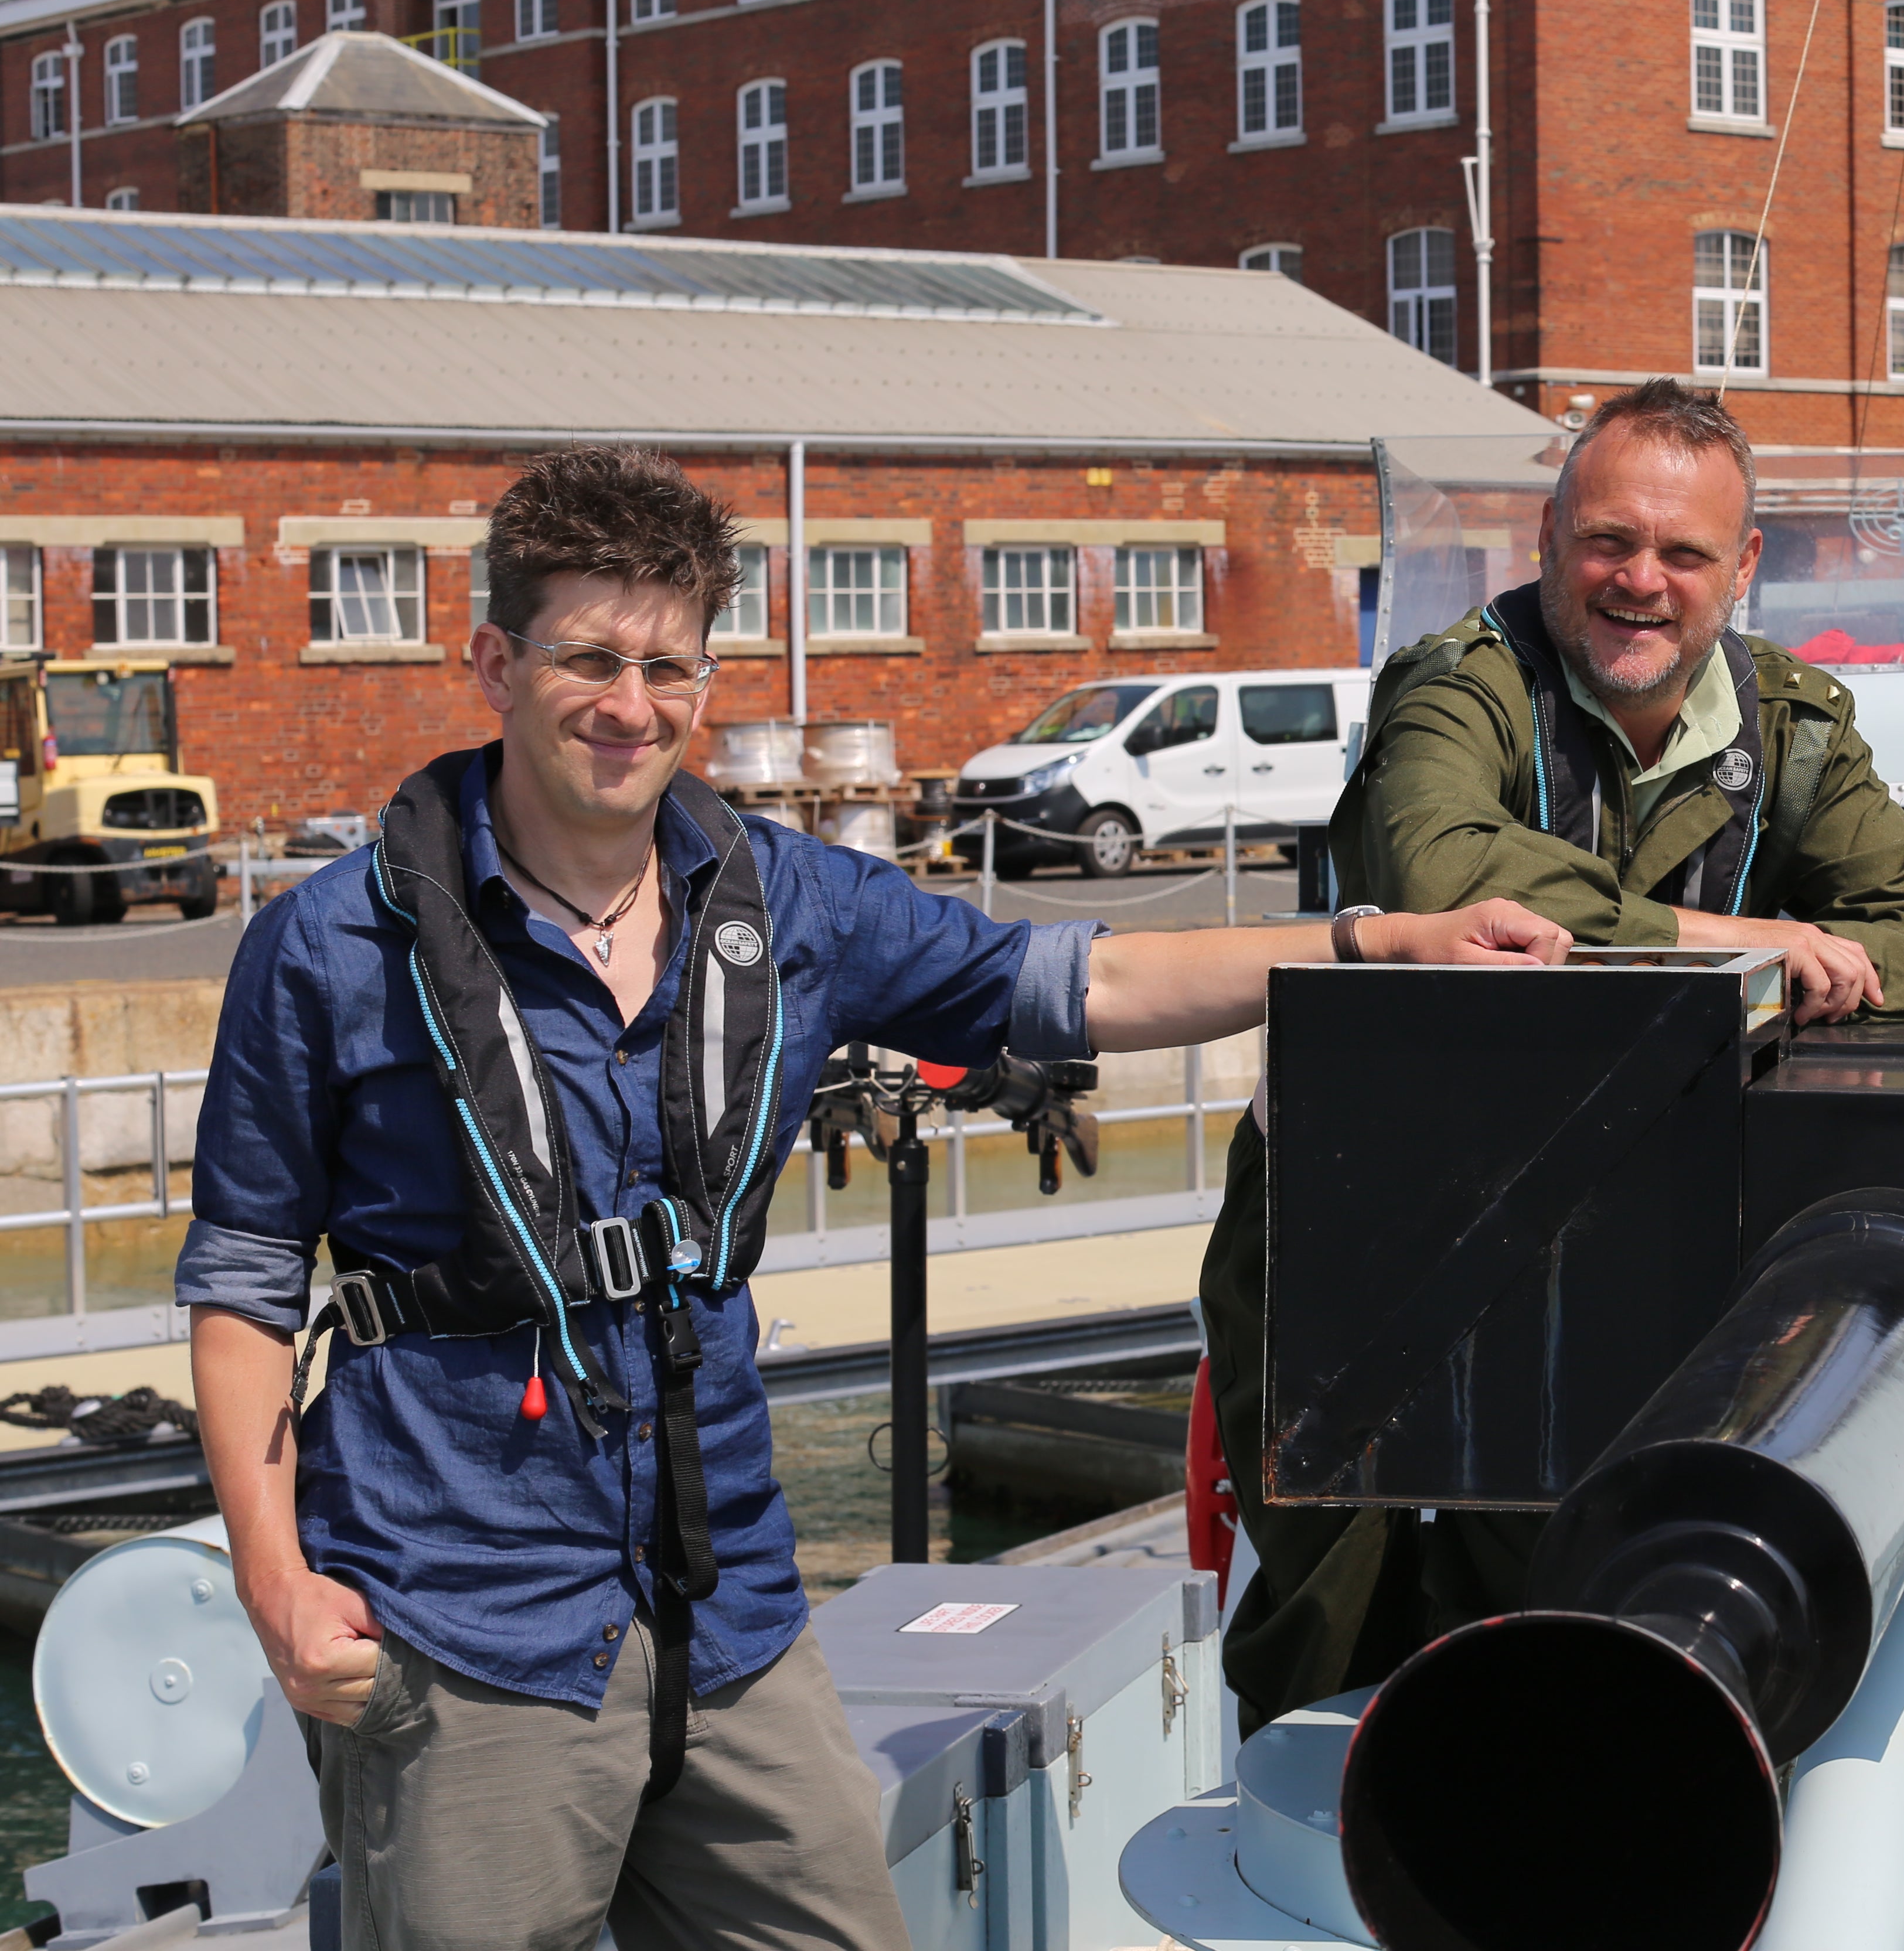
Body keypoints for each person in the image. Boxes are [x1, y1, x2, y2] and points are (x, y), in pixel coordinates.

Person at [182, 444, 1571, 1951]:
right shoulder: (328, 950)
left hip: (729, 1620)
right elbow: (246, 1276)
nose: (630, 706)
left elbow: (1079, 977)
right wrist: (274, 1579)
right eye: (587, 657)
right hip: (466, 1621)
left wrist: (1368, 940)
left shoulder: (793, 903)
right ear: (493, 661)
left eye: (669, 667)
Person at [1200, 376, 1904, 1730]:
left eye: (1683, 553)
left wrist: (1797, 950)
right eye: (1608, 541)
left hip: (1633, 1244)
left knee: (1588, 1614)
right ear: (1549, 537)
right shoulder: (1457, 692)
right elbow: (1439, 865)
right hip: (1359, 1241)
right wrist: (1742, 941)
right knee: (1338, 1640)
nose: (1641, 580)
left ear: (1739, 569)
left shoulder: (1791, 726)